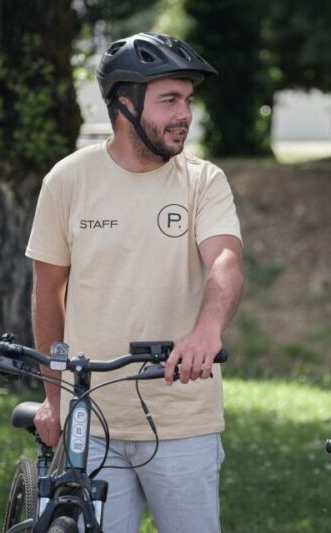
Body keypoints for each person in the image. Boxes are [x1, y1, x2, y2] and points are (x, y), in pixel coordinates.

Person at [25, 32, 244, 532]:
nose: (184, 114)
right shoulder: (67, 180)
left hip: (184, 421)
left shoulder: (203, 181)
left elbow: (226, 260)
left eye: (187, 100)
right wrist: (55, 397)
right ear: (124, 104)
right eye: (169, 100)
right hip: (93, 420)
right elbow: (47, 294)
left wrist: (207, 329)